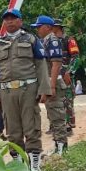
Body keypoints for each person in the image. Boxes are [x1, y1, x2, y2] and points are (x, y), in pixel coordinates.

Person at [0, 9, 51, 171]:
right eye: (6, 19)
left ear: (20, 21)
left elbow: (41, 65)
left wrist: (44, 89)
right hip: (6, 91)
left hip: (28, 88)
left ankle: (35, 163)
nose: (9, 22)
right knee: (12, 129)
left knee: (31, 126)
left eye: (13, 19)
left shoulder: (31, 40)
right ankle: (18, 165)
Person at [30, 16, 67, 155]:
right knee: (52, 116)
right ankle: (58, 146)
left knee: (57, 116)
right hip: (49, 81)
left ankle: (61, 148)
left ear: (48, 27)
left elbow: (56, 63)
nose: (37, 30)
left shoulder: (53, 41)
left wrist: (50, 86)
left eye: (39, 27)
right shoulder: (44, 41)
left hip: (54, 82)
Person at [53, 19, 80, 133]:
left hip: (65, 73)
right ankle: (56, 124)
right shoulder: (49, 41)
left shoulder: (69, 40)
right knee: (54, 99)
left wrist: (69, 71)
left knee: (67, 99)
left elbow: (76, 57)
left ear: (58, 27)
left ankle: (69, 123)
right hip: (54, 73)